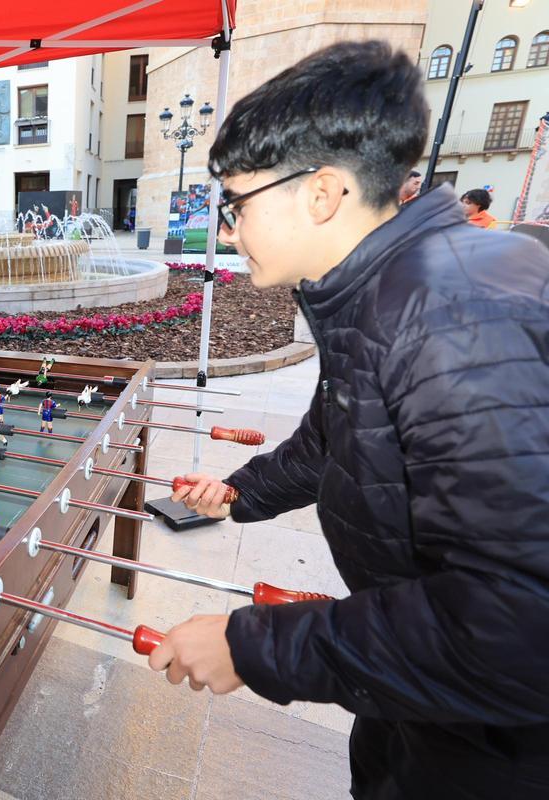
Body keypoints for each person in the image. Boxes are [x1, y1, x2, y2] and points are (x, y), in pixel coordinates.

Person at [161, 40, 549, 800]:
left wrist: (253, 647)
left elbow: (515, 625)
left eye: (237, 204)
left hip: (497, 752)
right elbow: (334, 438)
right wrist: (241, 491)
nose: (229, 231)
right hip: (421, 703)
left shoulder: (453, 316)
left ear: (322, 193)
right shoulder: (396, 287)